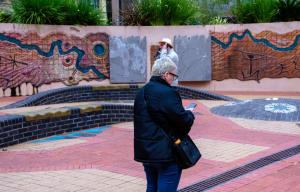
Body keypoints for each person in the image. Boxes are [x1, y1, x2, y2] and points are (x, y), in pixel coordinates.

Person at [134, 57, 195, 192]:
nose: (173, 79)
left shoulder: (141, 93)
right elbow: (183, 122)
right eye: (174, 75)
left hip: (146, 151)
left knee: (151, 186)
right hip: (166, 152)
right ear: (166, 74)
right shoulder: (168, 93)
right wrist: (190, 114)